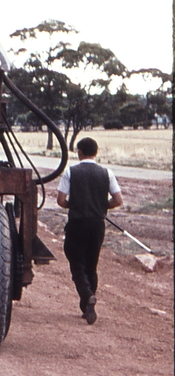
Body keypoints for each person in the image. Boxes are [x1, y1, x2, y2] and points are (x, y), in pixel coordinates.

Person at [56, 137, 122, 325]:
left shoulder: (71, 171)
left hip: (77, 223)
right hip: (97, 224)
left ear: (80, 152)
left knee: (77, 263)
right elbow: (118, 200)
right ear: (96, 152)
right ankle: (87, 307)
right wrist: (102, 207)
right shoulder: (106, 172)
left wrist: (74, 205)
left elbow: (61, 200)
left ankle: (87, 295)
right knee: (91, 265)